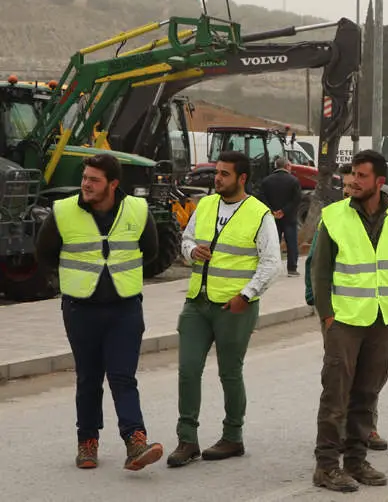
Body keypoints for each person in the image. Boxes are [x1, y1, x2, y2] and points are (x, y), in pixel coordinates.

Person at [35, 154, 164, 471]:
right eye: (85, 178)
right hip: (81, 309)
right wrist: (73, 280)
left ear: (113, 184)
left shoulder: (137, 209)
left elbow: (152, 251)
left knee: (123, 376)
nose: (86, 185)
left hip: (125, 308)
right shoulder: (63, 211)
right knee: (89, 378)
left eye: (94, 180)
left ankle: (135, 441)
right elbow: (44, 252)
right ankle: (87, 443)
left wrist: (118, 277)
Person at [168, 151, 282, 467]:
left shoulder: (260, 214)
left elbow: (272, 263)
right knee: (188, 371)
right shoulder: (204, 205)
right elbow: (186, 239)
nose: (217, 178)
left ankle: (233, 436)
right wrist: (192, 251)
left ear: (241, 178)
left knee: (229, 373)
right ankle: (187, 440)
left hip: (234, 308)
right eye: (217, 172)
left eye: (224, 174)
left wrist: (246, 295)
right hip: (197, 303)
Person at [311, 150, 388, 492]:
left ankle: (355, 462)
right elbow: (320, 273)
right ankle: (326, 466)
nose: (353, 180)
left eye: (362, 175)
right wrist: (327, 316)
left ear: (379, 182)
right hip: (344, 320)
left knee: (367, 395)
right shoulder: (334, 216)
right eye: (352, 174)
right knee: (336, 396)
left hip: (385, 320)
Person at [260, 156, 302, 276]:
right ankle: (292, 269)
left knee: (272, 243)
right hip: (289, 218)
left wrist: (273, 211)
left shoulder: (266, 181)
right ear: (287, 166)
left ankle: (271, 268)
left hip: (272, 218)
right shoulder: (294, 180)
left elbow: (262, 198)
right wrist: (284, 211)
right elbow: (297, 199)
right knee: (291, 243)